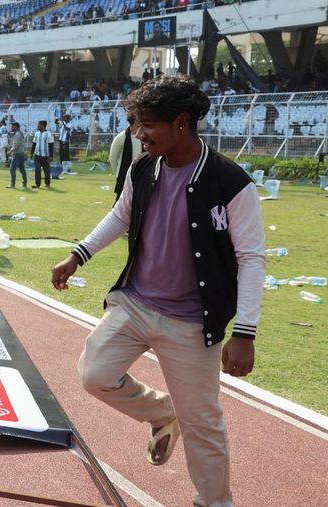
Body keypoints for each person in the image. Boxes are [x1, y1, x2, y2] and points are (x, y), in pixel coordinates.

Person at [50, 76, 265, 507]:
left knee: (203, 422)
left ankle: (214, 501)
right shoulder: (142, 169)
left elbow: (252, 258)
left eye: (147, 124)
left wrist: (245, 331)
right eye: (136, 123)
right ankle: (163, 411)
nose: (138, 133)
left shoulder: (229, 181)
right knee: (95, 373)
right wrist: (78, 254)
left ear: (180, 123)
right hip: (136, 302)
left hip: (191, 321)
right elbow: (119, 217)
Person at [110, 115, 143, 202]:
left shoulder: (143, 137)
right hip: (123, 176)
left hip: (140, 175)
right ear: (135, 121)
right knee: (121, 202)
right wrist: (118, 174)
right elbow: (112, 158)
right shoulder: (121, 137)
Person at [31, 120, 52, 189]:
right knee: (37, 170)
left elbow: (51, 145)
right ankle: (37, 184)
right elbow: (34, 144)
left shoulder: (48, 134)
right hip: (37, 155)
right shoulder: (36, 133)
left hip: (46, 156)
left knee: (46, 170)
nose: (37, 126)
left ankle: (47, 184)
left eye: (38, 124)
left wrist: (51, 156)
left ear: (43, 126)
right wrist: (31, 153)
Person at [6, 122, 27, 189]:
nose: (11, 128)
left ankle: (12, 184)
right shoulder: (20, 133)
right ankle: (24, 183)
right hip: (21, 153)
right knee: (22, 169)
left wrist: (10, 151)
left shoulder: (17, 135)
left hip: (17, 154)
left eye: (12, 127)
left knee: (12, 169)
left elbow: (16, 146)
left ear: (16, 127)